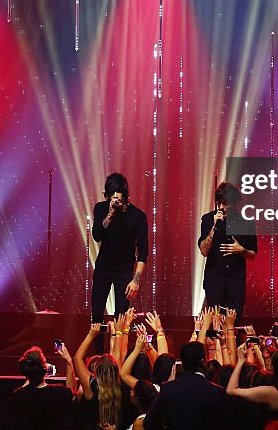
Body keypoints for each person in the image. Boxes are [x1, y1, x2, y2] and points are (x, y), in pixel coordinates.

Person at [91, 173, 148, 324]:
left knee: (121, 316)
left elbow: (143, 252)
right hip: (103, 268)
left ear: (125, 195)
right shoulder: (101, 208)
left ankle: (118, 347)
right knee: (96, 313)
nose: (116, 200)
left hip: (124, 270)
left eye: (119, 197)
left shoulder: (138, 216)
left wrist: (136, 280)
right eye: (112, 196)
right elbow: (97, 235)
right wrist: (110, 214)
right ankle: (97, 348)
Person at [198, 181, 258, 320]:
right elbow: (204, 251)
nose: (222, 208)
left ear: (236, 203)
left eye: (226, 204)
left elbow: (253, 254)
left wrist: (241, 250)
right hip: (214, 280)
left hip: (235, 281)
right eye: (220, 203)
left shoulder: (246, 222)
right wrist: (214, 227)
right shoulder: (208, 219)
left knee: (234, 324)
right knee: (215, 324)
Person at [145, 341, 233, 429]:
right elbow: (228, 425)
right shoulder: (216, 392)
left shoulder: (168, 389)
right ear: (203, 362)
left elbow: (149, 423)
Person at [9, 346, 73, 430]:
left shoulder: (19, 396)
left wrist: (32, 373)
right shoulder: (59, 392)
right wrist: (69, 361)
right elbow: (71, 391)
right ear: (44, 368)